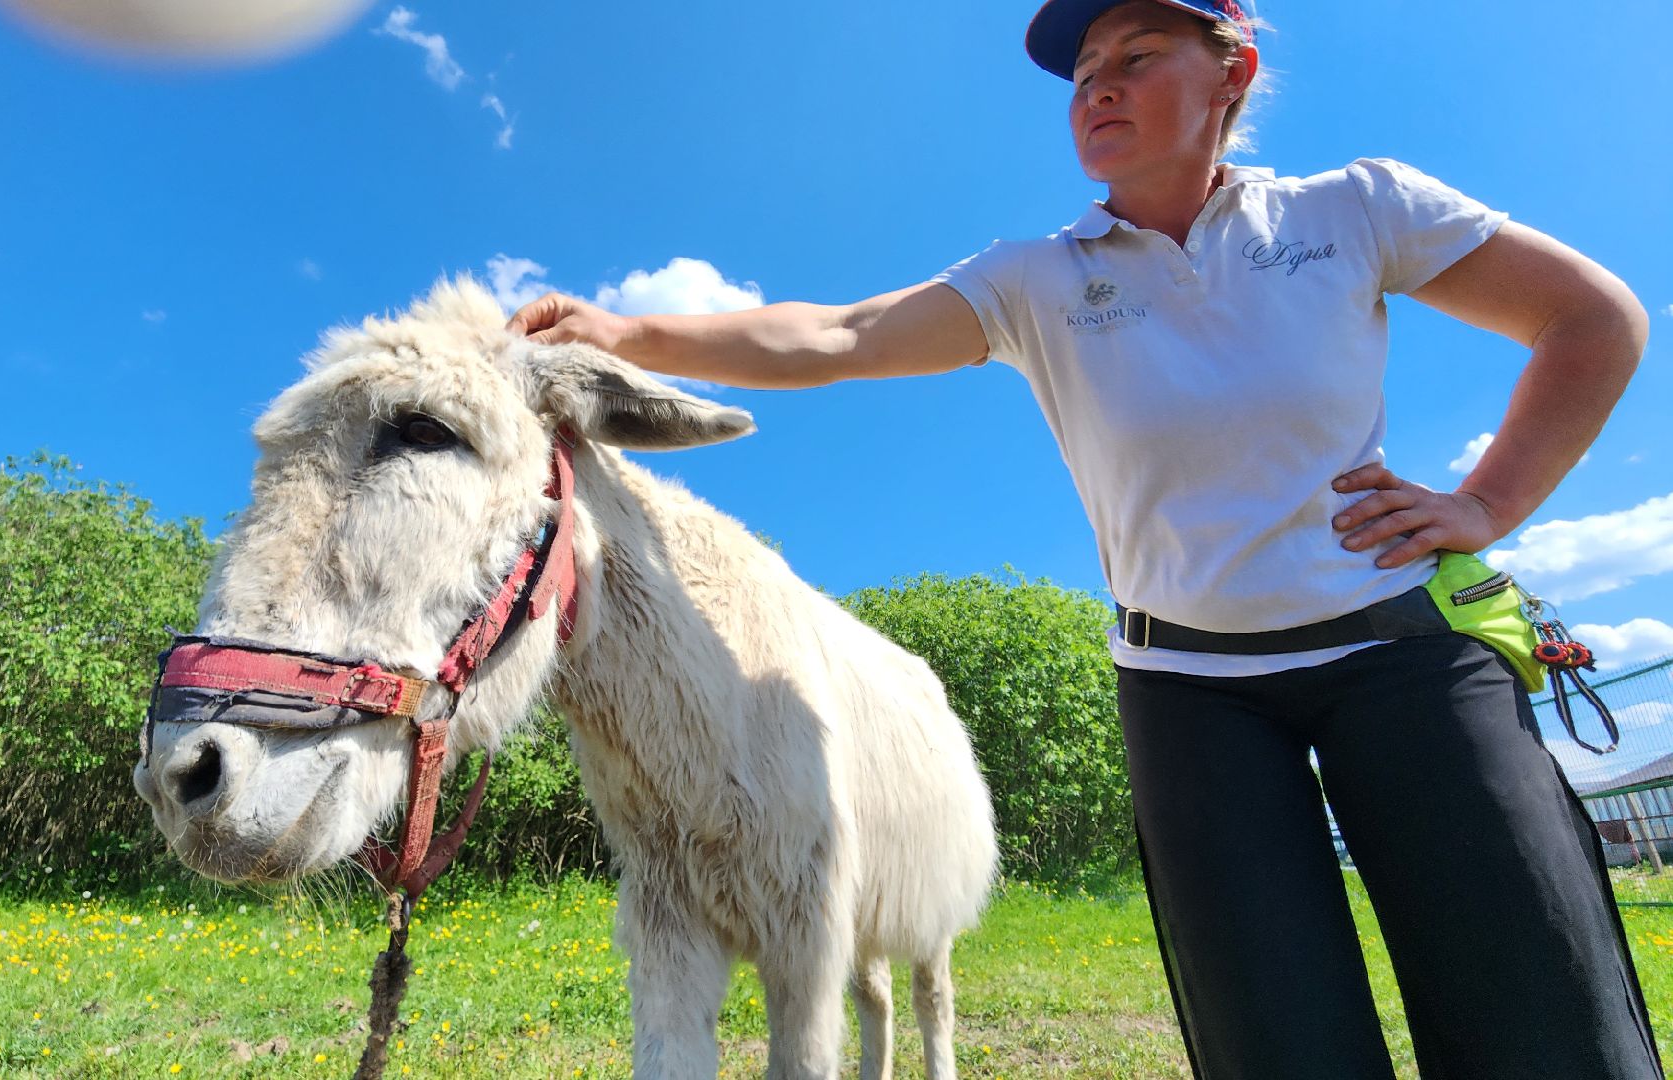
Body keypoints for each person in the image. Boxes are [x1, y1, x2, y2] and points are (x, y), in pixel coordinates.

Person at [505, 1, 1661, 1076]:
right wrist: (628, 328)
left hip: (1402, 651)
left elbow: (1591, 318)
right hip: (1193, 687)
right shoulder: (1036, 282)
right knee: (1275, 1035)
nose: (1095, 90)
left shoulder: (1352, 208)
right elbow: (839, 332)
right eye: (1082, 76)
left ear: (1231, 71)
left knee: (1537, 1003)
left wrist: (1486, 504)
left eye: (1134, 59)